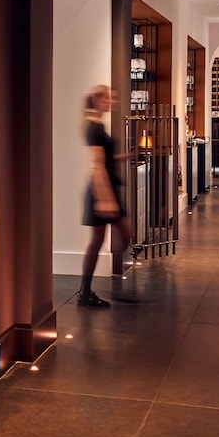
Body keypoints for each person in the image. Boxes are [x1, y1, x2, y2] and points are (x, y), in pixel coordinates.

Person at [77, 85, 133, 307]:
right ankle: (85, 292)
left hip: (107, 189)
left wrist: (122, 156)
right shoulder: (93, 128)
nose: (112, 101)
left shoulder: (98, 126)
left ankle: (85, 291)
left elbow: (105, 160)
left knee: (109, 238)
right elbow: (97, 166)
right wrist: (104, 199)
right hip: (102, 191)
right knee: (101, 240)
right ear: (98, 100)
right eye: (108, 98)